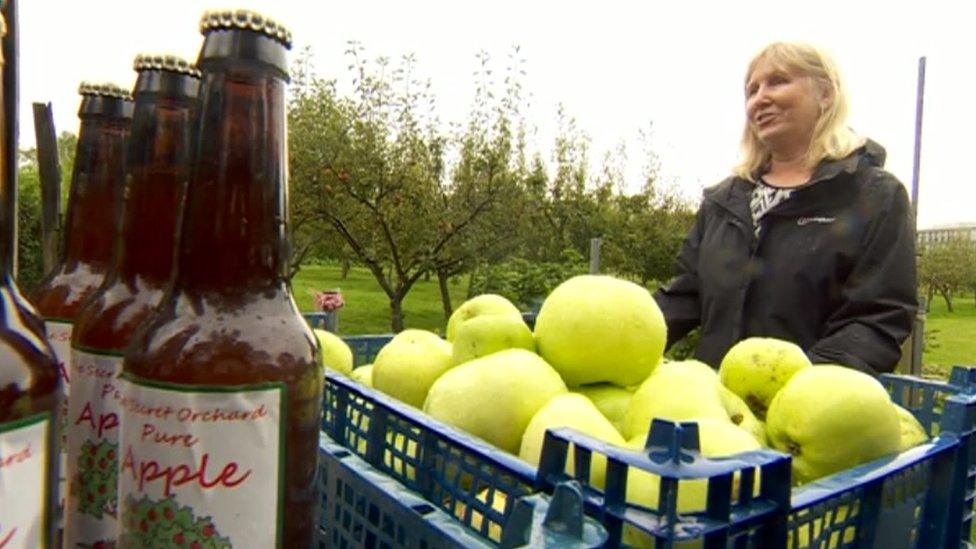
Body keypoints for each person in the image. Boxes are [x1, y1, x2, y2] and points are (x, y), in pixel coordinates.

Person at [654, 41, 917, 375]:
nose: (760, 98)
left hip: (810, 410)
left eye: (778, 81)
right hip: (716, 407)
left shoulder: (873, 196)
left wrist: (796, 385)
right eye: (752, 90)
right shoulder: (724, 201)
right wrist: (617, 336)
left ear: (825, 94)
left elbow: (877, 318)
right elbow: (685, 296)